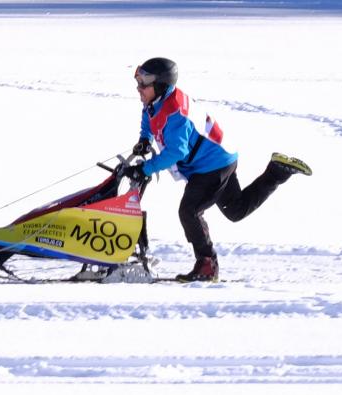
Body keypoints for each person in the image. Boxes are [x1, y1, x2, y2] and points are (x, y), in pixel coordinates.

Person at [126, 57, 313, 282]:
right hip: (219, 157)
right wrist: (145, 139)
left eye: (144, 83)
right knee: (235, 210)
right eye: (138, 82)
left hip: (211, 166)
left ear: (161, 85)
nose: (139, 88)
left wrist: (145, 169)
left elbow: (177, 152)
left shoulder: (175, 112)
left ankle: (207, 265)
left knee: (189, 211)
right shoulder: (157, 100)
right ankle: (278, 171)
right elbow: (148, 115)